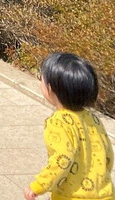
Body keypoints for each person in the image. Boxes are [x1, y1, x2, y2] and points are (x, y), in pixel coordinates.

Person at [25, 52, 113, 200]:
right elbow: (108, 155)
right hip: (104, 193)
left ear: (50, 88)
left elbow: (62, 158)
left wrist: (39, 185)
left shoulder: (58, 122)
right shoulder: (93, 119)